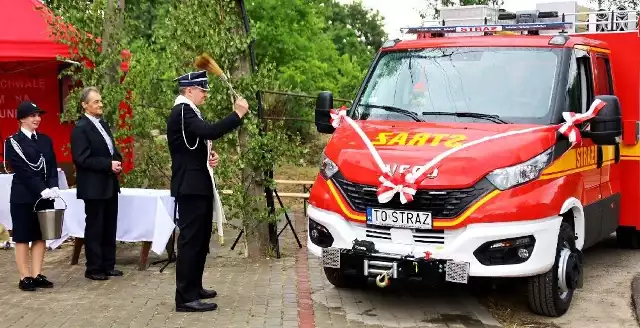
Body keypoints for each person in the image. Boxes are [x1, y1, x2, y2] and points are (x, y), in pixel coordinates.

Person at [166, 70, 249, 312]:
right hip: (190, 186)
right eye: (202, 90)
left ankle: (194, 286)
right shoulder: (182, 111)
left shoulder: (189, 111)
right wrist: (237, 114)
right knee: (191, 241)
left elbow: (196, 142)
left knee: (201, 240)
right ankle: (185, 297)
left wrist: (208, 155)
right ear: (189, 90)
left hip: (198, 183)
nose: (205, 95)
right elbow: (209, 130)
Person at [70, 86, 124, 281]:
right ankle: (93, 267)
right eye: (96, 102)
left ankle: (108, 264)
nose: (100, 104)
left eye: (101, 101)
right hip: (93, 187)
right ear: (85, 105)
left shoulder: (104, 125)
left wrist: (117, 161)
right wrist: (108, 165)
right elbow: (81, 159)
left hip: (109, 184)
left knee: (109, 226)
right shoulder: (81, 128)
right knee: (95, 227)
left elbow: (111, 149)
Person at [4, 101, 59, 291]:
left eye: (38, 115)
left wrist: (53, 186)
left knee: (40, 235)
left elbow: (51, 164)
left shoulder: (45, 140)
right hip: (24, 195)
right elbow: (22, 169)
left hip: (44, 195)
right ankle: (24, 277)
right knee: (22, 236)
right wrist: (41, 188)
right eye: (32, 115)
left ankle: (36, 274)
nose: (37, 119)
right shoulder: (12, 142)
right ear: (21, 119)